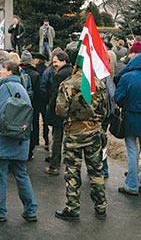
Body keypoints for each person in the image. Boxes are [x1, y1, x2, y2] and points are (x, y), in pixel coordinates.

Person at [0, 60, 38, 222]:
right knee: (21, 174)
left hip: (3, 138)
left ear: (9, 72)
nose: (0, 72)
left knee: (0, 175)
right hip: (20, 139)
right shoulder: (23, 89)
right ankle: (30, 210)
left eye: (3, 69)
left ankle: (0, 210)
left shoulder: (4, 89)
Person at [55, 66, 107, 222]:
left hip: (74, 133)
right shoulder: (99, 84)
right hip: (94, 132)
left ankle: (72, 208)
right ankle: (101, 206)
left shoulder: (67, 84)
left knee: (72, 171)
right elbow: (104, 111)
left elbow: (60, 111)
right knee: (96, 170)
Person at [114, 41, 141, 196]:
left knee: (132, 151)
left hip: (131, 117)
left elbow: (118, 98)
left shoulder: (128, 77)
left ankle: (132, 185)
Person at [44, 50, 72, 175]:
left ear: (63, 61)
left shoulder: (60, 75)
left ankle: (54, 166)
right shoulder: (72, 71)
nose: (53, 64)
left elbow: (55, 94)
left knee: (57, 138)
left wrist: (50, 111)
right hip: (70, 112)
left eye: (55, 62)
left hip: (59, 111)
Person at [20, 50, 41, 161]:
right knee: (32, 127)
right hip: (32, 105)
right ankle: (30, 151)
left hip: (19, 106)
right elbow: (39, 93)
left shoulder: (17, 72)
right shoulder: (35, 74)